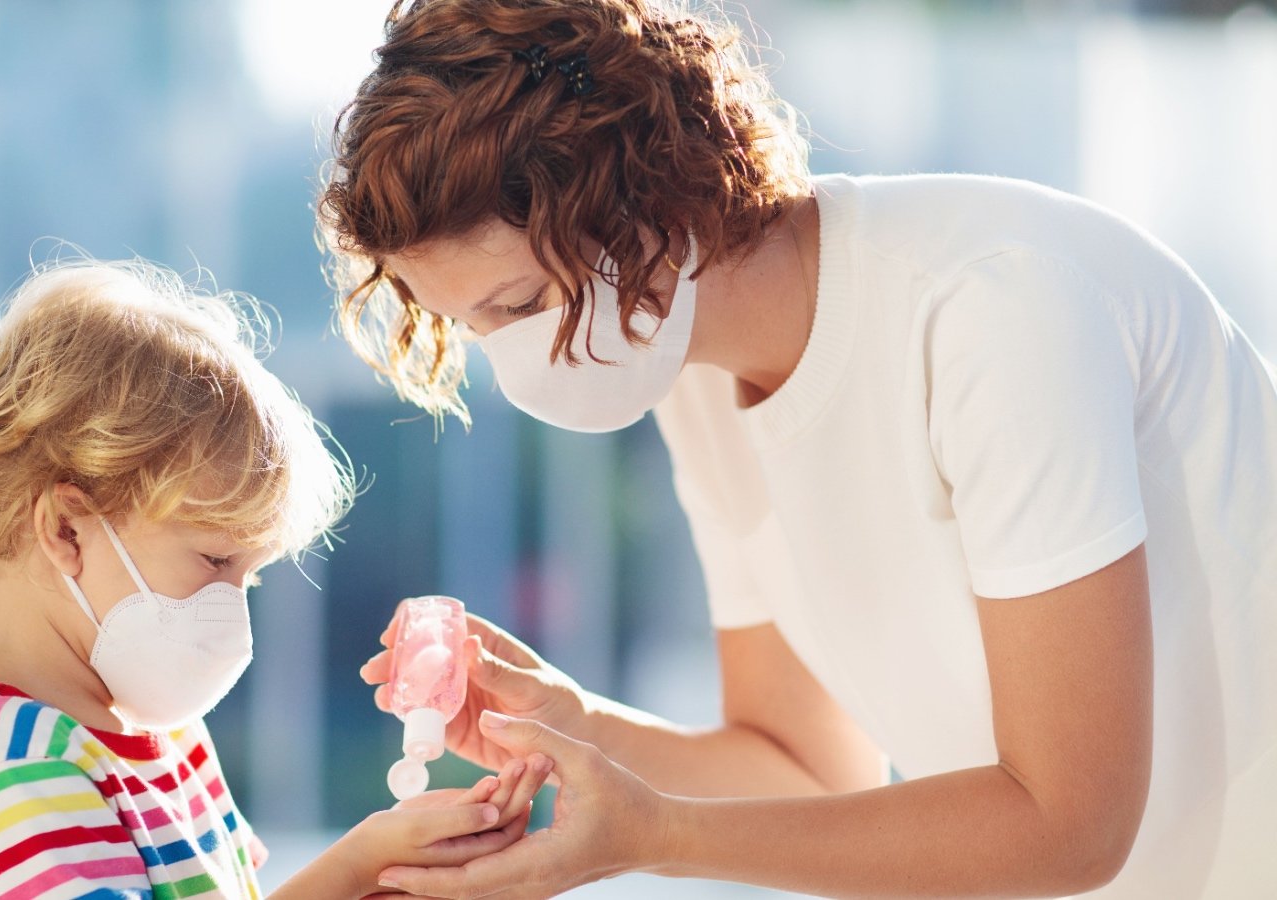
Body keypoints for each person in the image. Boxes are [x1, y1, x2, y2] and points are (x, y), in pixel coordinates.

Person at [317, 1, 1277, 897]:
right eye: (474, 329)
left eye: (520, 306)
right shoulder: (689, 372)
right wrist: (577, 728)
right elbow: (807, 770)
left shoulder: (992, 306)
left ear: (642, 190)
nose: (513, 362)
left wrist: (659, 836)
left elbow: (1072, 824)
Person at [0, 259, 550, 899]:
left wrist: (391, 880)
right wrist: (354, 869)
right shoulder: (18, 778)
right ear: (68, 530)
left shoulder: (161, 737)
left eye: (250, 576)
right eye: (214, 562)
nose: (233, 612)